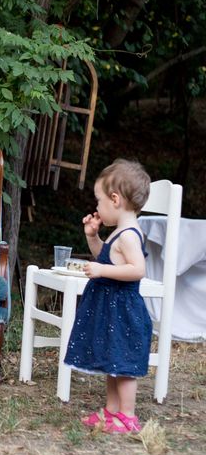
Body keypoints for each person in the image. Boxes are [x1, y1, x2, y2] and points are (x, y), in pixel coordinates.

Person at [64, 159, 152, 434]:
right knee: (113, 361)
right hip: (112, 309)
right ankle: (111, 411)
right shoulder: (118, 234)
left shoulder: (128, 236)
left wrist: (102, 270)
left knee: (123, 365)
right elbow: (106, 255)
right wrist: (93, 237)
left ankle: (127, 416)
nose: (98, 207)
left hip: (124, 310)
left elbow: (137, 269)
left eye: (99, 200)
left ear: (115, 200)